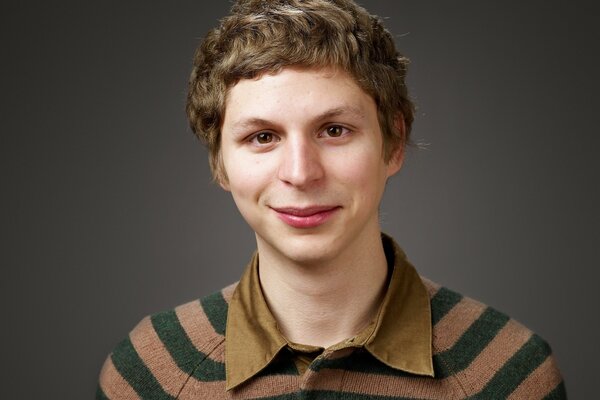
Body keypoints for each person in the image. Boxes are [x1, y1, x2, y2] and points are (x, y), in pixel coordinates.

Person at [96, 0, 567, 398]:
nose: (300, 173)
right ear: (219, 162)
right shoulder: (150, 373)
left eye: (335, 130)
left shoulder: (508, 374)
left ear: (394, 143)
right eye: (262, 137)